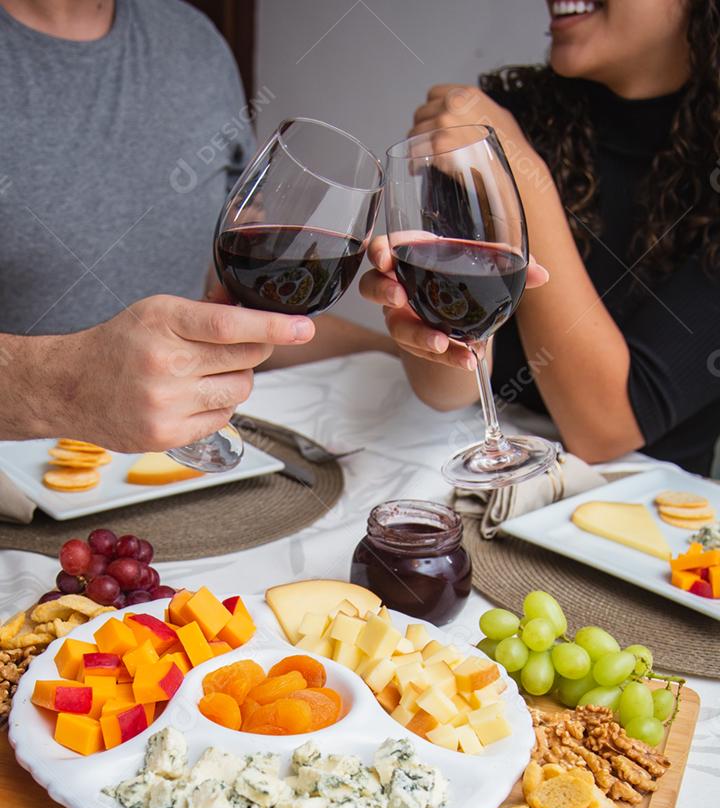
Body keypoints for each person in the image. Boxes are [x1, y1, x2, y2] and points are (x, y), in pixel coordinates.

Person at [0, 0, 389, 452]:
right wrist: (65, 387)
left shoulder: (192, 42)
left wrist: (407, 354)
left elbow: (226, 303)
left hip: (170, 481)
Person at [361, 0, 720, 476]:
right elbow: (447, 393)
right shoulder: (512, 114)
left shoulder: (503, 135)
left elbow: (601, 431)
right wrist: (433, 336)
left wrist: (526, 175)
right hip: (484, 484)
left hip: (639, 525)